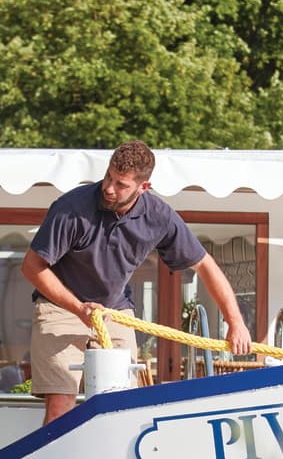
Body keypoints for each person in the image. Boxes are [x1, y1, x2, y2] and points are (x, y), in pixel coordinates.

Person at [22, 140, 252, 424]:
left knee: (122, 406)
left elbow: (204, 264)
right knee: (61, 403)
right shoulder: (71, 207)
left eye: (121, 184)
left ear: (143, 187)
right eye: (108, 177)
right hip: (61, 308)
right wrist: (78, 307)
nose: (108, 188)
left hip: (115, 310)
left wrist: (236, 322)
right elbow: (32, 267)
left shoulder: (158, 216)